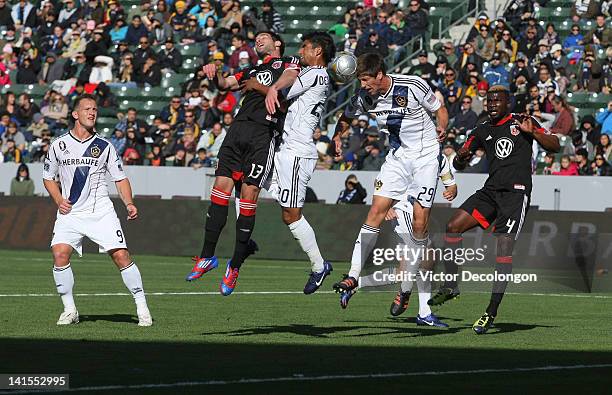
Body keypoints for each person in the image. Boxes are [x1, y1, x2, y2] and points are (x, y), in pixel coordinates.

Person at [429, 86, 560, 334]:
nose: (491, 105)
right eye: (489, 101)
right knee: (453, 226)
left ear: (507, 103)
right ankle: (450, 284)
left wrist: (534, 133)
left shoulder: (524, 121)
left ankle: (491, 311)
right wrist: (463, 156)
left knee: (503, 250)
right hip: (490, 192)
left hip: (515, 194)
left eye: (497, 101)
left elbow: (554, 145)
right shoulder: (481, 129)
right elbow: (459, 160)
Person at [185, 32, 300, 296]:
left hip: (263, 133)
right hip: (237, 131)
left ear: (278, 43)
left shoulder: (288, 64)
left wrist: (265, 88)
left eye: (263, 37)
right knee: (220, 189)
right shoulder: (251, 68)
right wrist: (214, 73)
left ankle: (235, 264)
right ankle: (206, 257)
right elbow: (225, 83)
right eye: (256, 39)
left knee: (248, 196)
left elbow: (289, 87)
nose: (258, 40)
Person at [330, 52, 448, 307]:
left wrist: (442, 126)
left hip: (426, 157)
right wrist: (338, 135)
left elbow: (440, 110)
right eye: (360, 81)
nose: (363, 86)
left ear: (380, 75)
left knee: (420, 225)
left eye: (365, 80)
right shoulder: (364, 97)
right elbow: (346, 117)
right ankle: (352, 276)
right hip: (398, 158)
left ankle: (406, 291)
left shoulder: (413, 85)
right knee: (375, 211)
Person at [42, 94, 152, 327]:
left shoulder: (104, 146)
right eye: (87, 109)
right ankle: (70, 310)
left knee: (121, 256)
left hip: (100, 211)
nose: (92, 113)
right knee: (60, 254)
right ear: (75, 114)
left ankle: (142, 308)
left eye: (95, 109)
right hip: (70, 212)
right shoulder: (58, 145)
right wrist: (58, 199)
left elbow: (120, 179)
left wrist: (129, 203)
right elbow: (48, 177)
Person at [262, 31, 336, 294]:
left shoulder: (316, 73)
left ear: (317, 51)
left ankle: (319, 266)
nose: (301, 51)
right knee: (251, 179)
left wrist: (256, 83)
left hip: (297, 152)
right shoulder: (314, 74)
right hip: (285, 147)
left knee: (291, 214)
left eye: (305, 47)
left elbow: (281, 94)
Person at [348, 155, 457, 329]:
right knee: (426, 256)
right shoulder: (407, 150)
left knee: (405, 271)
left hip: (418, 213)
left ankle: (356, 284)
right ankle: (424, 312)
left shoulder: (440, 157)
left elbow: (450, 182)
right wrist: (388, 205)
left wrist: (452, 190)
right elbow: (383, 180)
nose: (439, 134)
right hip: (403, 211)